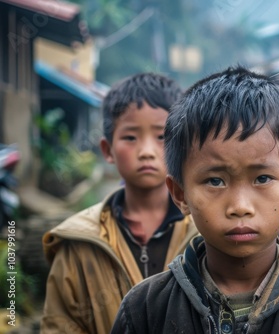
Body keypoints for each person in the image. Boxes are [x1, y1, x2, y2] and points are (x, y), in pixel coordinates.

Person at [111, 67, 279, 334]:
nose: (240, 207)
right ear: (179, 194)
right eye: (215, 181)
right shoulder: (145, 310)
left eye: (262, 178)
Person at [41, 73, 198, 334]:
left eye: (161, 136)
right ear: (107, 150)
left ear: (180, 146)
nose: (146, 151)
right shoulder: (78, 241)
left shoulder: (205, 233)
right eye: (130, 137)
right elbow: (58, 324)